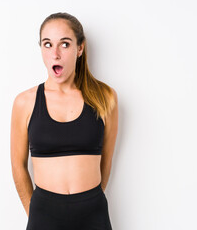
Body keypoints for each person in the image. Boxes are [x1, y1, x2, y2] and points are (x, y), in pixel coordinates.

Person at [10, 12, 118, 230]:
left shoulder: (105, 97)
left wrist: (88, 201)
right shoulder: (25, 102)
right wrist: (37, 214)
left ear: (80, 48)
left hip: (93, 213)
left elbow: (106, 159)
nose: (55, 54)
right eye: (47, 44)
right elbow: (18, 165)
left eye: (65, 44)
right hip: (44, 214)